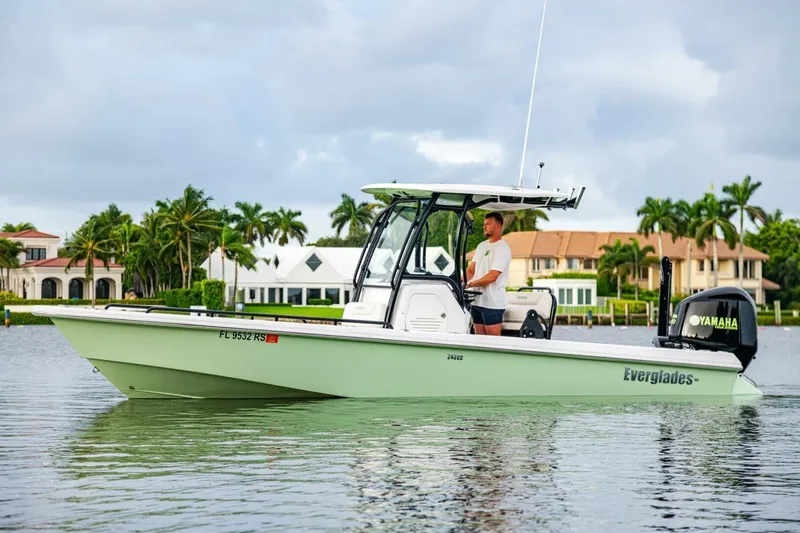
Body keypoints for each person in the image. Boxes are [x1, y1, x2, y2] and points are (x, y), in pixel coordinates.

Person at [465, 212, 512, 335]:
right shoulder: (481, 246)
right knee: (479, 340)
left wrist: (470, 284)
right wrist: (459, 282)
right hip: (477, 301)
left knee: (493, 342)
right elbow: (471, 270)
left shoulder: (502, 248)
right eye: (484, 224)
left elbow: (492, 276)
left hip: (493, 303)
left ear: (497, 227)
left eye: (488, 224)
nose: (484, 227)